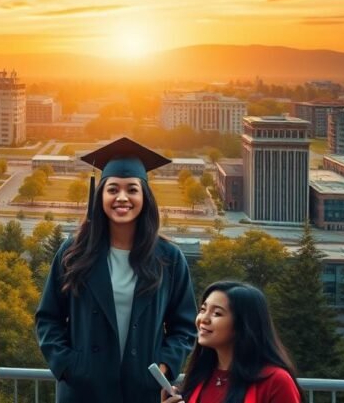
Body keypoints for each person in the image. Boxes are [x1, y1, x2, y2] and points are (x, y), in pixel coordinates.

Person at [35, 137, 198, 403]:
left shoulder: (169, 259)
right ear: (100, 196)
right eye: (113, 189)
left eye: (132, 189)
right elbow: (48, 318)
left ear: (144, 196)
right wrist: (69, 365)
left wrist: (164, 367)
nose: (122, 198)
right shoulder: (73, 253)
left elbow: (184, 326)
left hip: (143, 391)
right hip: (84, 391)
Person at [161, 281, 302, 403]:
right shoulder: (199, 376)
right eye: (203, 310)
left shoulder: (275, 380)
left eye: (217, 313)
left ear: (244, 324)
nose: (203, 319)